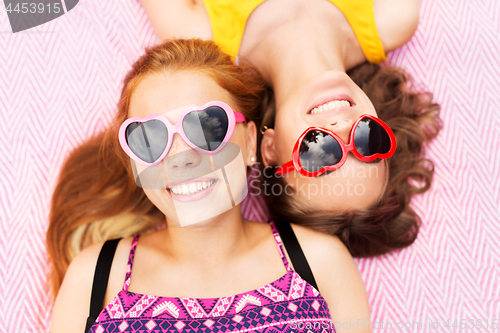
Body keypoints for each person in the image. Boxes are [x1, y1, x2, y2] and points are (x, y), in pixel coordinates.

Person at [48, 39, 372, 333]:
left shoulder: (319, 262)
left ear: (249, 142)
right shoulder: (93, 277)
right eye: (150, 139)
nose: (181, 158)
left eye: (206, 127)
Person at [138, 0, 442, 256]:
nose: (341, 125)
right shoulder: (392, 19)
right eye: (367, 140)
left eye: (319, 150)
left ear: (269, 148)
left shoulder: (200, 41)